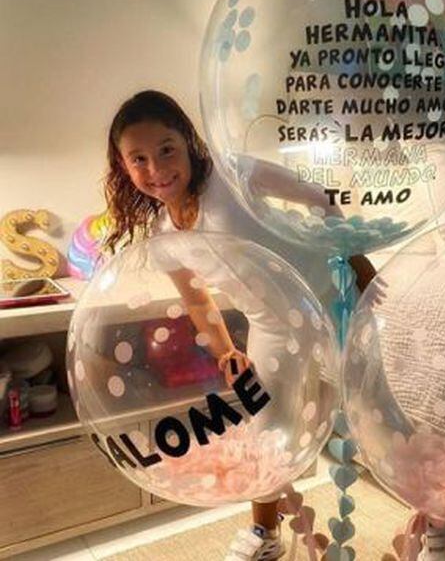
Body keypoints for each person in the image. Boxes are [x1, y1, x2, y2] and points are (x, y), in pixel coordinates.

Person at [104, 90, 375, 560]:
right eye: (139, 159)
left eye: (166, 149)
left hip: (336, 302)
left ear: (187, 143)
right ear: (123, 167)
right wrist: (226, 350)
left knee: (373, 415)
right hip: (272, 328)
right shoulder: (164, 238)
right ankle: (265, 535)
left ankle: (434, 522)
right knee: (266, 431)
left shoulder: (230, 174)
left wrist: (355, 261)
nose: (156, 168)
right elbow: (196, 298)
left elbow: (316, 197)